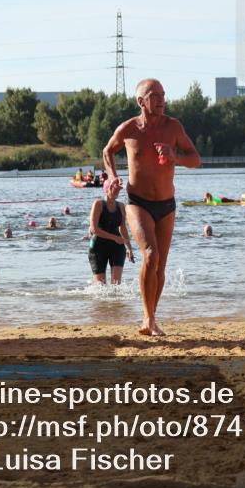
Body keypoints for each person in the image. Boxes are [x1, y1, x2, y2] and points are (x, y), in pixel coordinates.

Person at [103, 78, 202, 335]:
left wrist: (175, 156)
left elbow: (196, 159)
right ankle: (147, 319)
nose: (161, 99)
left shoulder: (174, 127)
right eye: (154, 95)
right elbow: (107, 152)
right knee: (150, 254)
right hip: (138, 202)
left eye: (163, 94)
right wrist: (112, 177)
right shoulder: (129, 129)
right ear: (141, 101)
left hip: (167, 204)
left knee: (160, 266)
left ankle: (152, 318)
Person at [88, 179, 135, 285]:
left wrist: (129, 248)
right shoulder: (98, 204)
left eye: (119, 190)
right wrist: (115, 238)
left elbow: (123, 229)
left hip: (117, 247)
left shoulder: (121, 206)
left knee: (116, 285)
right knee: (101, 286)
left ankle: (115, 302)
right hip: (98, 247)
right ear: (107, 189)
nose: (118, 191)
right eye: (115, 188)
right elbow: (94, 229)